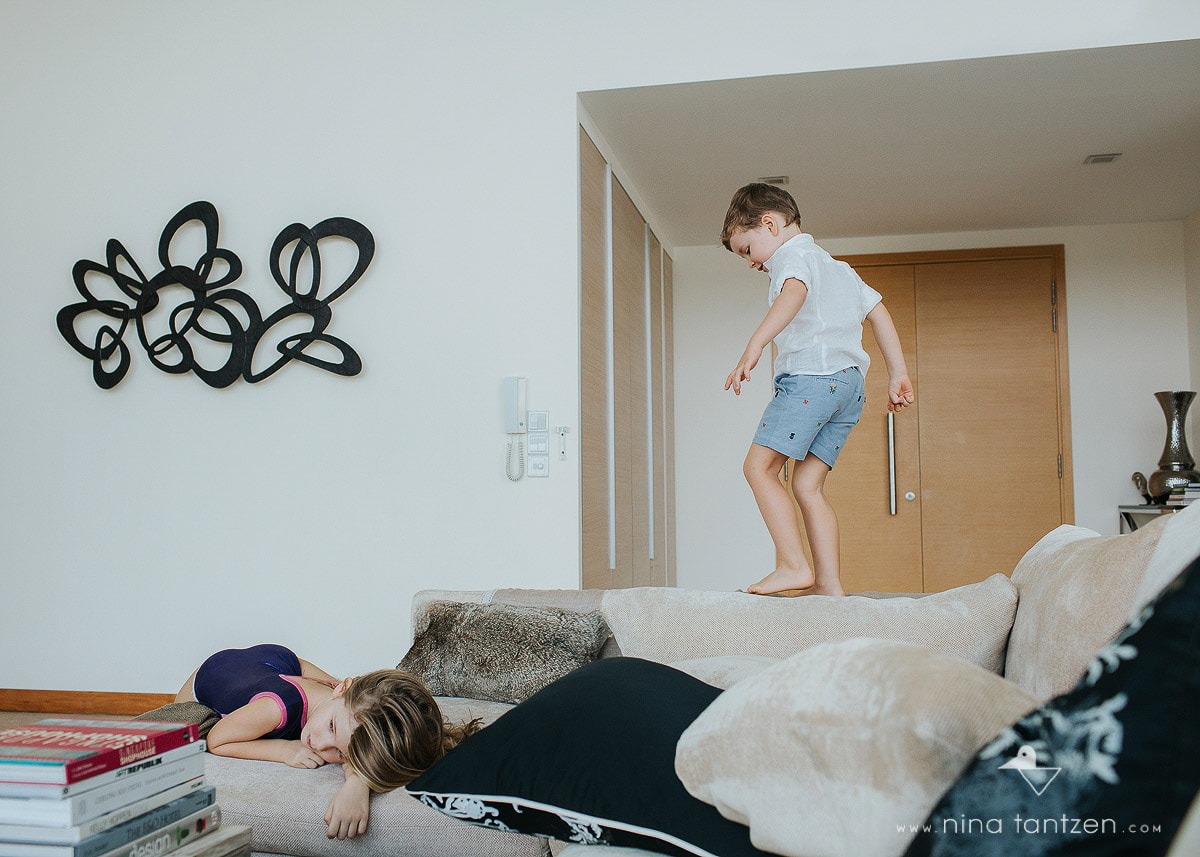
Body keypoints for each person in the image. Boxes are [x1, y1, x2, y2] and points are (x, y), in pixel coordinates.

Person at [721, 183, 914, 597]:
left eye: (747, 250)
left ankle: (793, 565)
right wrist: (897, 372)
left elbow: (795, 293)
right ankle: (829, 586)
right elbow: (878, 313)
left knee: (758, 468)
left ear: (769, 225)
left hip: (812, 379)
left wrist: (754, 345)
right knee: (807, 486)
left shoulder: (796, 258)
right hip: (848, 386)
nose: (751, 264)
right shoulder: (839, 268)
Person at [175, 644, 479, 839]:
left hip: (273, 666)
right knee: (179, 717)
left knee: (319, 696)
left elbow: (356, 747)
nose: (320, 745)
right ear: (343, 688)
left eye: (340, 754)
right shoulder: (276, 709)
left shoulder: (345, 702)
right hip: (213, 674)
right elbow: (218, 740)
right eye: (331, 727)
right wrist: (282, 749)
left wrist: (356, 784)